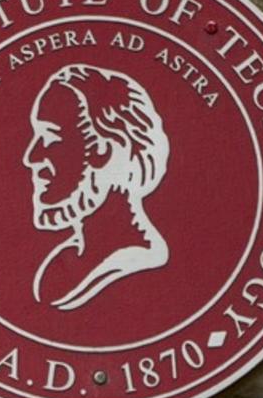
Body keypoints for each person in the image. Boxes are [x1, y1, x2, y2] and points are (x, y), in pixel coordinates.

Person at [20, 63, 172, 311]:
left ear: (103, 150)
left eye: (49, 137)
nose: (31, 157)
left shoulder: (138, 264)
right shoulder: (61, 263)